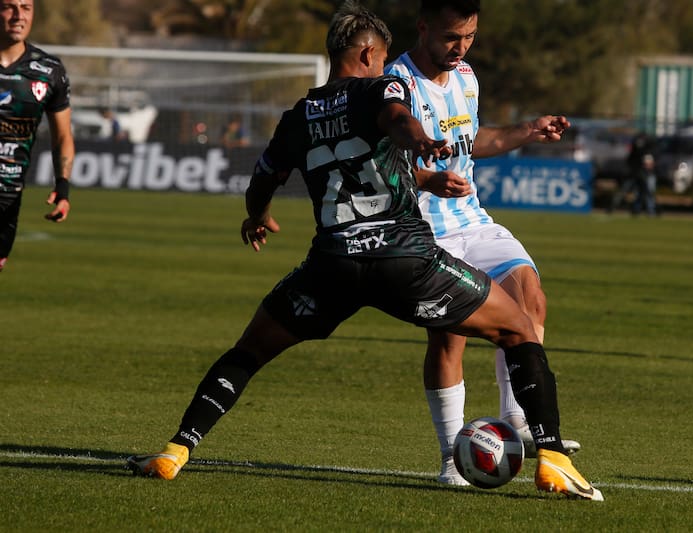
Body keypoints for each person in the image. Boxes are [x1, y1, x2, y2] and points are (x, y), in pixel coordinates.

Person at [126, 0, 602, 501]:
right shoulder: (384, 85)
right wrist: (419, 139)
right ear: (371, 52)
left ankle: (176, 450)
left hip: (332, 266)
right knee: (518, 328)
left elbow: (262, 179)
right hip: (404, 258)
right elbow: (398, 117)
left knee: (248, 352)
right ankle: (551, 459)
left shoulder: (298, 115)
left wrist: (258, 216)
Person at [385, 0, 579, 486]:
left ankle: (518, 421)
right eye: (452, 37)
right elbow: (381, 158)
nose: (461, 47)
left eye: (469, 36)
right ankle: (453, 458)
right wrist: (426, 177)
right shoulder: (397, 82)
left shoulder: (467, 76)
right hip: (423, 226)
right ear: (424, 26)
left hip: (473, 220)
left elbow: (476, 139)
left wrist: (527, 131)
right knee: (449, 334)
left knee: (530, 297)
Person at [0, 0, 73, 272]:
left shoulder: (49, 71)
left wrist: (62, 188)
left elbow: (62, 136)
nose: (19, 15)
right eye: (9, 6)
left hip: (7, 199)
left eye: (26, 7)